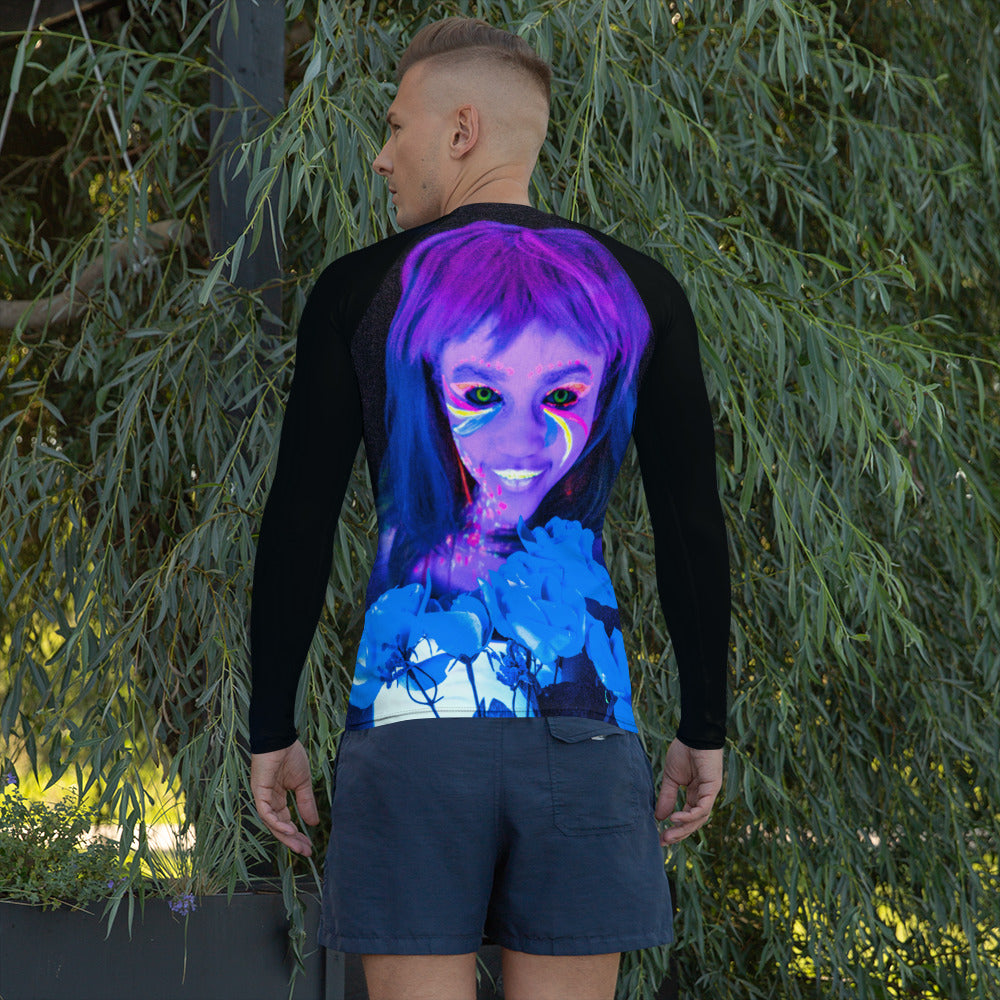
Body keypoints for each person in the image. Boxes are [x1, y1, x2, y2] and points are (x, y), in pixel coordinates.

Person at [248, 16, 730, 1000]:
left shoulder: (358, 291)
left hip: (409, 733)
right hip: (586, 734)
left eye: (397, 127)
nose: (382, 156)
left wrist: (271, 724)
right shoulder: (643, 292)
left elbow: (299, 520)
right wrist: (703, 722)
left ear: (461, 129)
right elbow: (691, 526)